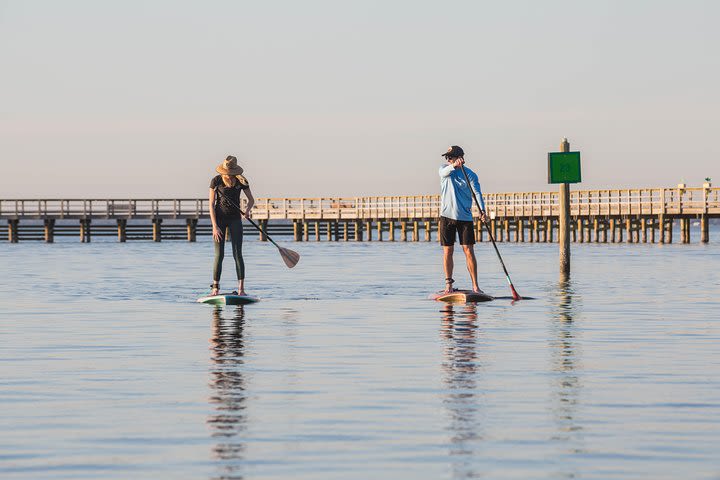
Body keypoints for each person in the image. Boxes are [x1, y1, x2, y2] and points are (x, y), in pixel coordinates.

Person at [438, 145, 488, 294]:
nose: (449, 159)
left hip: (465, 218)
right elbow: (443, 172)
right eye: (448, 157)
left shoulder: (471, 175)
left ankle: (475, 286)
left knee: (468, 250)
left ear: (461, 158)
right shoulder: (445, 170)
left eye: (451, 157)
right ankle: (449, 285)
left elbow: (477, 194)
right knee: (448, 251)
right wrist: (453, 165)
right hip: (447, 216)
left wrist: (482, 211)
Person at [209, 156, 255, 296]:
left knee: (237, 254)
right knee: (219, 255)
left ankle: (241, 290)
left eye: (230, 173)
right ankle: (215, 289)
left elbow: (251, 200)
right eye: (226, 173)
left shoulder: (241, 181)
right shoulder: (216, 181)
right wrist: (214, 226)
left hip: (235, 219)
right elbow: (211, 204)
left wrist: (247, 211)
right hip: (220, 220)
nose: (228, 176)